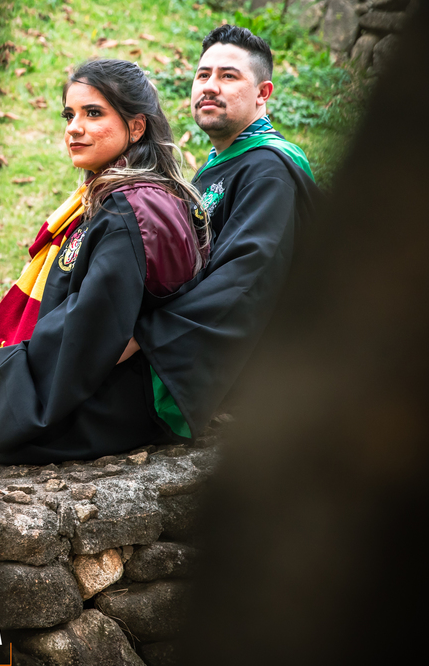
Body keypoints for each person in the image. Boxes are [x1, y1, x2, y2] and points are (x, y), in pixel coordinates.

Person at [0, 59, 208, 468]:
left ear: (136, 127)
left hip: (110, 395)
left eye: (93, 113)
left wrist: (1, 376)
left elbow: (94, 330)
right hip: (74, 375)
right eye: (69, 115)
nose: (74, 127)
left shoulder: (131, 209)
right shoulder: (114, 197)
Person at [132, 24, 322, 439]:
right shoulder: (220, 166)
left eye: (228, 76)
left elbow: (243, 281)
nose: (210, 86)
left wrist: (145, 335)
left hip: (222, 371)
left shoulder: (270, 170)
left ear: (263, 93)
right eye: (203, 74)